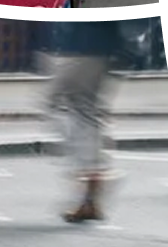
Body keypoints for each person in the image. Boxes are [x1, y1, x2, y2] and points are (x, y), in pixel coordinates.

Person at [40, 14, 126, 223]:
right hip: (97, 47)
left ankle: (92, 172)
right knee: (84, 110)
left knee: (61, 105)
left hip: (83, 47)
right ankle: (90, 193)